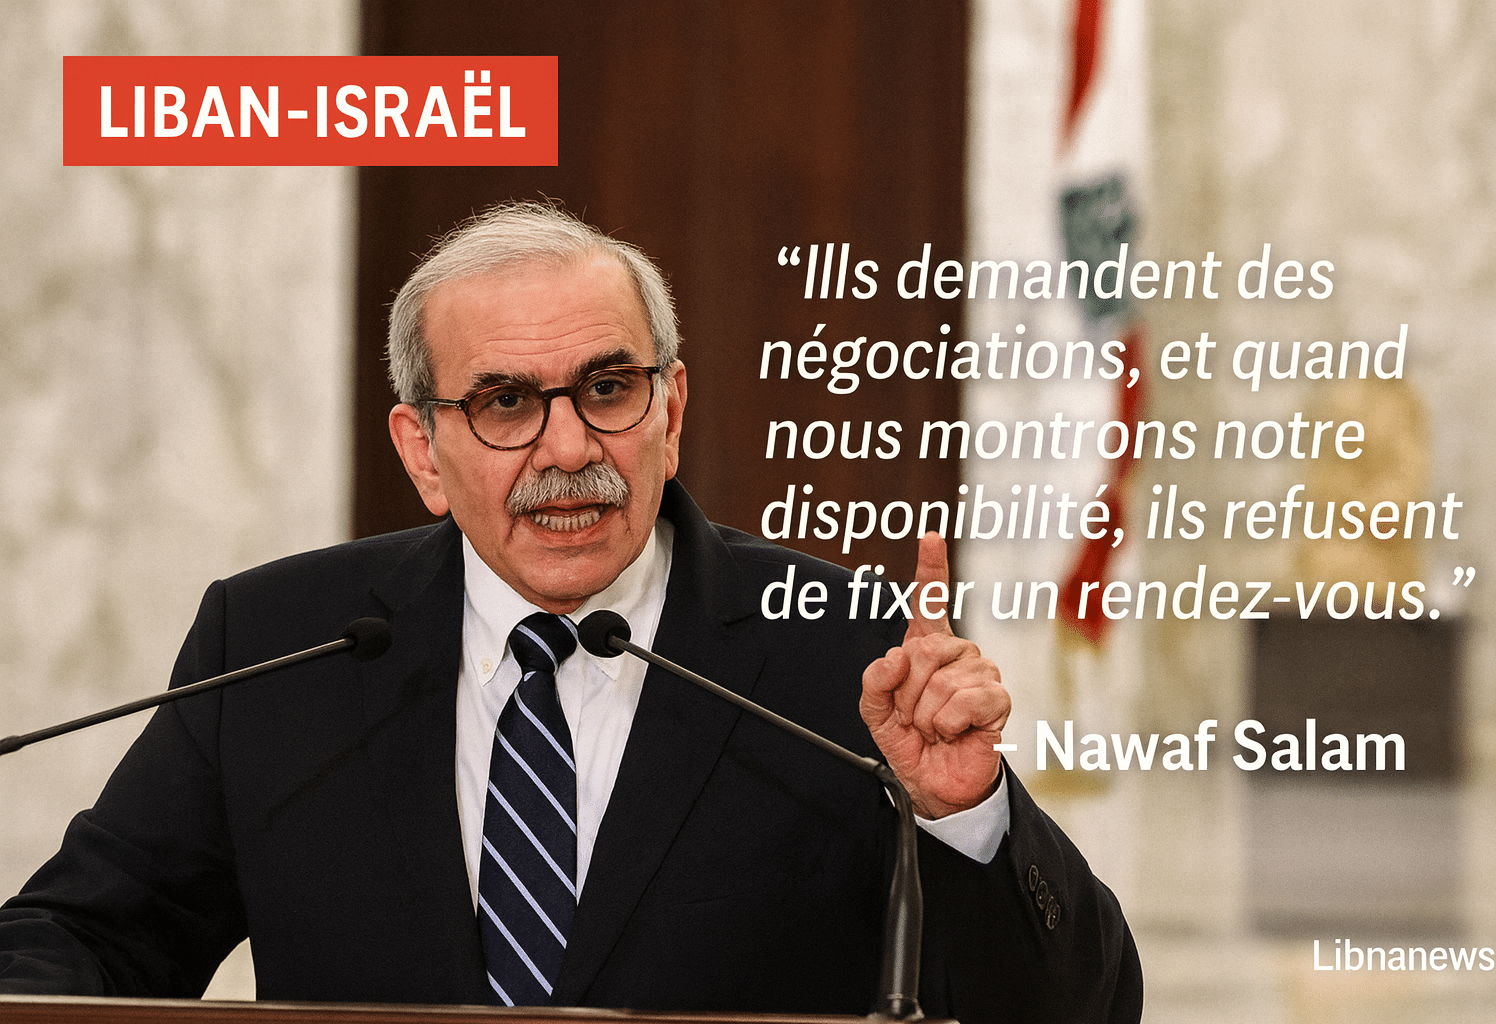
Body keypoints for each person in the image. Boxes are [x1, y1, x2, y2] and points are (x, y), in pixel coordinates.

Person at [0, 202, 1140, 1022]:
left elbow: (1082, 1008)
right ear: (423, 451)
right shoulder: (278, 645)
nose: (566, 447)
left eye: (606, 387)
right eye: (504, 401)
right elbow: (84, 937)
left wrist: (966, 815)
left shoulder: (839, 646)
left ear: (670, 409)